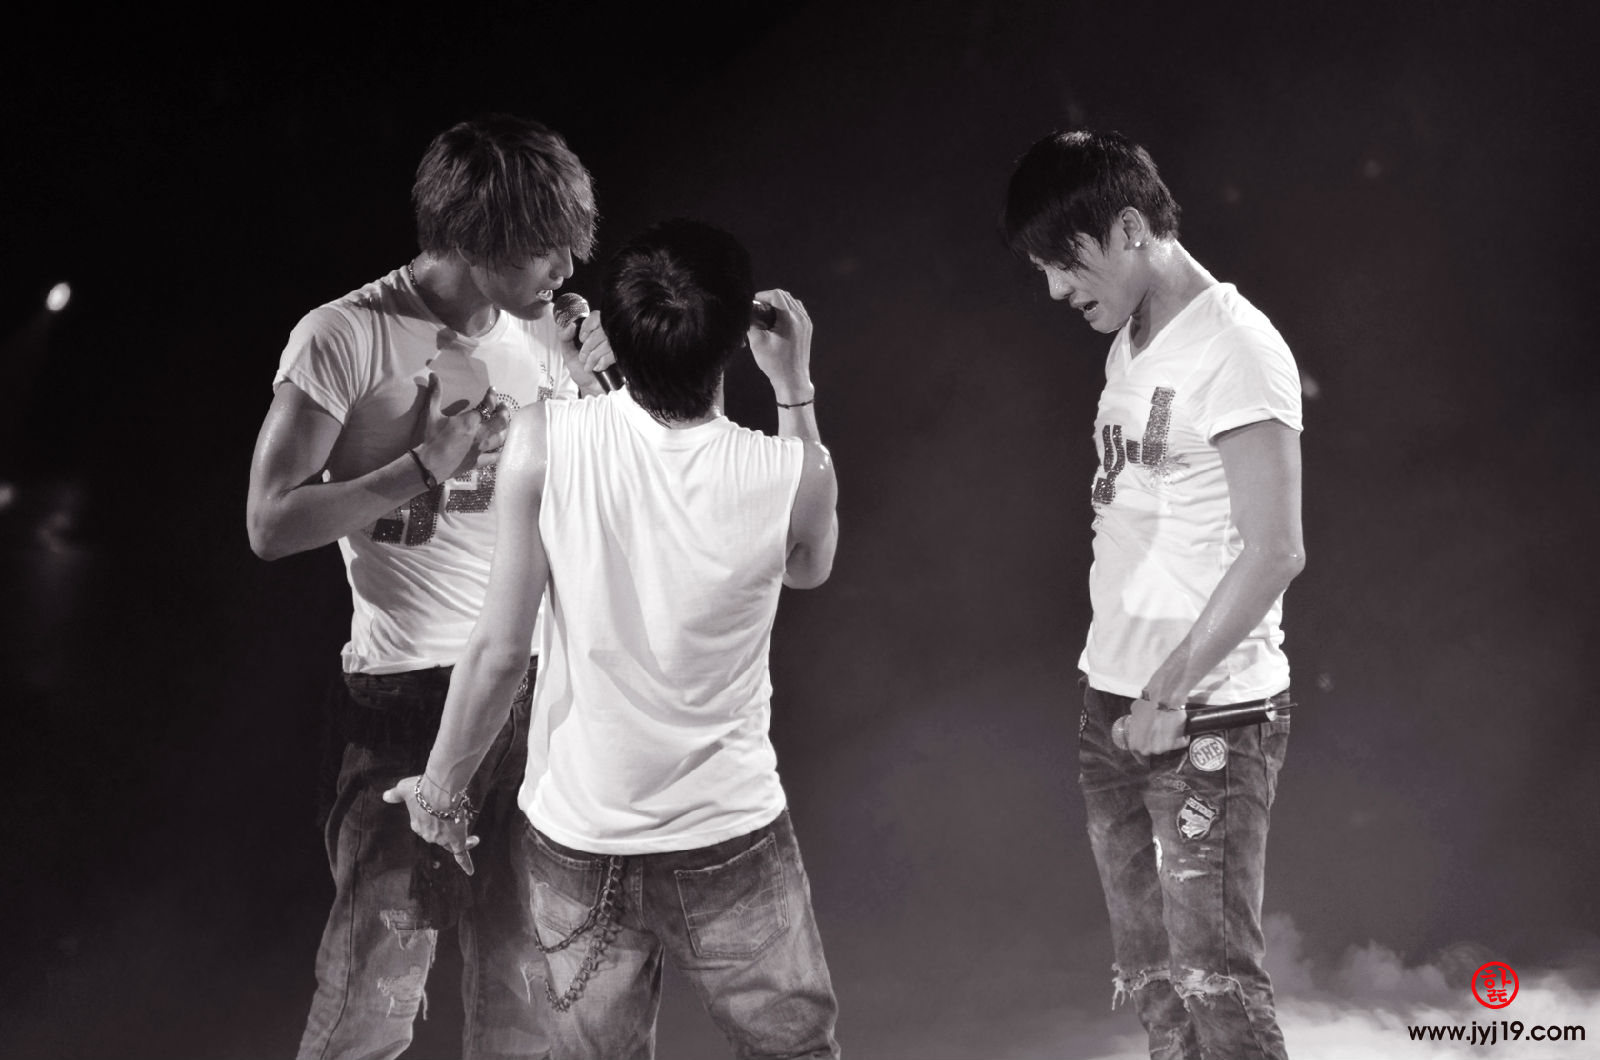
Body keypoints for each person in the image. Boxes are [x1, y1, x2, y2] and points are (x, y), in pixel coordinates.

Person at [385, 218, 841, 1060]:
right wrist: (794, 387)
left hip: (581, 840)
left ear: (617, 336)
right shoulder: (795, 473)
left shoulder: (542, 439)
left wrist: (440, 793)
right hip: (728, 835)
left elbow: (498, 650)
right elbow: (808, 565)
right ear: (737, 338)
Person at [246, 113, 599, 1060]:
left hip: (533, 698)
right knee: (374, 1001)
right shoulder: (346, 334)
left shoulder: (548, 334)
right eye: (545, 246)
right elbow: (270, 523)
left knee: (530, 1003)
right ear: (481, 238)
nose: (567, 267)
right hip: (403, 706)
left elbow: (596, 514)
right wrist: (421, 467)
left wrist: (592, 387)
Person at [1003, 130, 1305, 1059]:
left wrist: (1168, 692)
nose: (1056, 291)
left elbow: (1276, 549)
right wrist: (1124, 693)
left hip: (1207, 718)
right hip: (1114, 707)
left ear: (1130, 227)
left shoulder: (1237, 347)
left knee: (1217, 986)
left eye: (1065, 263)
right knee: (1155, 983)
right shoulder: (1130, 340)